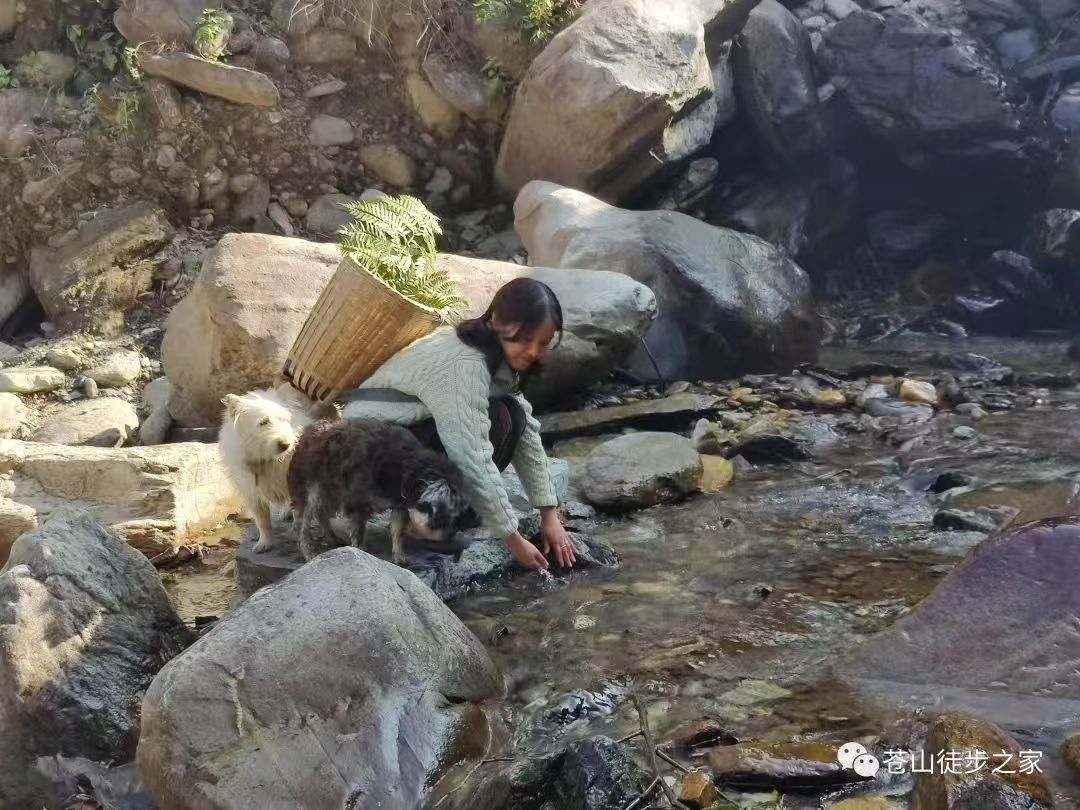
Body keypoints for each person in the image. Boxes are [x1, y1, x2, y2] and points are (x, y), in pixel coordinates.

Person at [340, 277, 576, 570]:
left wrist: (548, 514)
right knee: (497, 419)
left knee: (512, 413)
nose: (532, 351)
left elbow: (526, 432)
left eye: (542, 343)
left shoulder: (497, 359)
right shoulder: (464, 365)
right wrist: (513, 539)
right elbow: (471, 456)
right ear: (498, 322)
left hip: (402, 439)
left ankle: (446, 514)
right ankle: (426, 524)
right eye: (526, 339)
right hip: (363, 454)